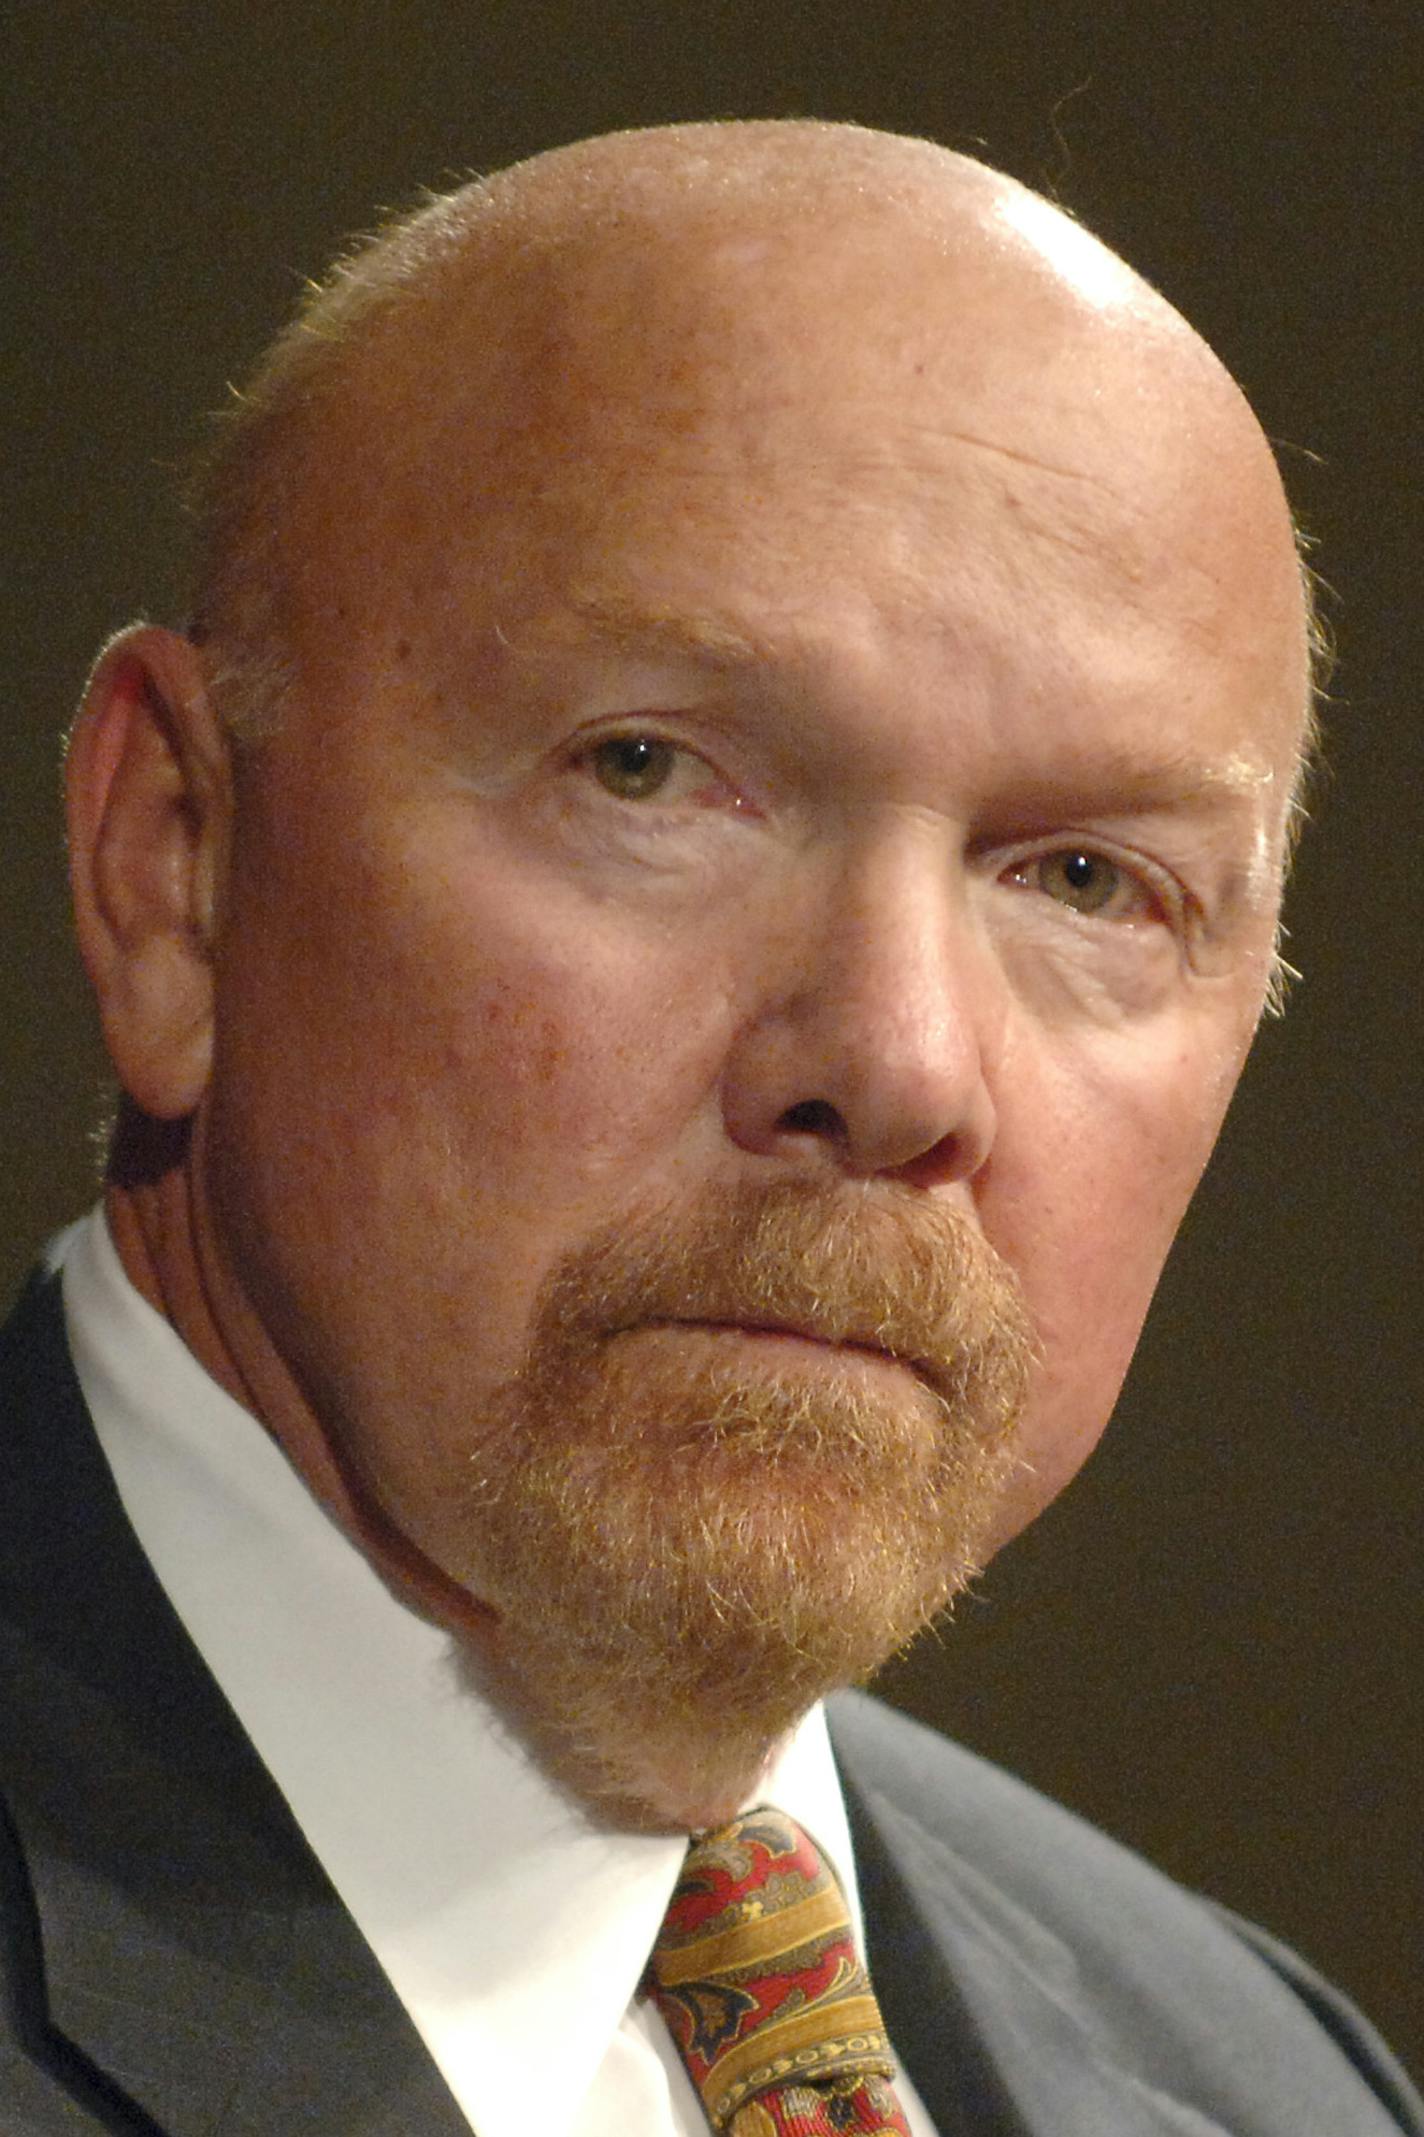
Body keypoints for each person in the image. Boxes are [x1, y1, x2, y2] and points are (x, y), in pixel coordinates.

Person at [0, 118, 1416, 2136]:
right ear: (176, 870)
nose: (904, 1059)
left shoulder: (1267, 2083)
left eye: (1088, 882)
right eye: (653, 773)